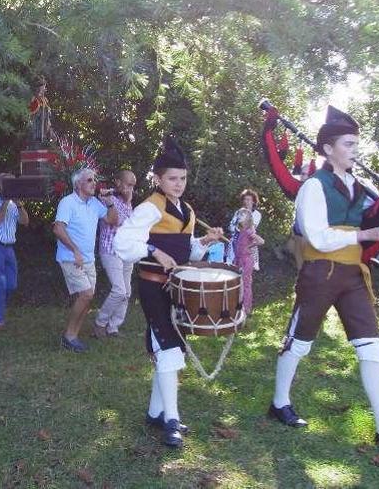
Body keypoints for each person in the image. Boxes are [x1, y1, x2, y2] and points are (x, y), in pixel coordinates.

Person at [267, 106, 379, 455]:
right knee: (299, 342)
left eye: (357, 143)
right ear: (327, 149)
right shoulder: (313, 186)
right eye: (348, 143)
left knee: (372, 348)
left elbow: (376, 220)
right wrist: (364, 232)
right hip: (319, 272)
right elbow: (317, 237)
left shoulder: (358, 186)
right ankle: (280, 402)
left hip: (354, 274)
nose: (355, 149)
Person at [113, 136, 225, 448]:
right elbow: (122, 242)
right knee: (169, 348)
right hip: (152, 286)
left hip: (176, 288)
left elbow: (186, 249)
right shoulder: (150, 207)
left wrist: (204, 242)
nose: (178, 184)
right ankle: (172, 421)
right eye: (172, 179)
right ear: (159, 179)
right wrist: (152, 250)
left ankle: (155, 412)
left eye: (183, 179)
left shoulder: (187, 210)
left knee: (169, 348)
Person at [53, 168, 118, 352]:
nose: (94, 182)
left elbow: (113, 220)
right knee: (86, 294)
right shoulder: (67, 203)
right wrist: (75, 251)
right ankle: (69, 336)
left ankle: (73, 335)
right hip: (71, 258)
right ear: (78, 184)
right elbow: (58, 229)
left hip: (88, 259)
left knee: (87, 299)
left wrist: (109, 203)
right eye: (89, 180)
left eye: (95, 179)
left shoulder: (94, 203)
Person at [0, 173, 30, 328]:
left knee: (11, 285)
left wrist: (18, 204)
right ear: (0, 186)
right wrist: (5, 200)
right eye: (9, 183)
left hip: (9, 247)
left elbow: (25, 222)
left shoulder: (15, 204)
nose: (12, 186)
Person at [95, 170, 136, 338]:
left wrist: (127, 201)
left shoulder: (127, 202)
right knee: (119, 290)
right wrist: (118, 201)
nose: (131, 189)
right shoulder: (105, 198)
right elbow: (116, 221)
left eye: (133, 186)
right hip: (110, 250)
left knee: (126, 292)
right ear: (118, 182)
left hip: (126, 252)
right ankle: (100, 322)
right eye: (128, 184)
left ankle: (113, 327)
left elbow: (131, 224)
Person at [232, 208, 264, 314]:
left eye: (243, 215)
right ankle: (238, 306)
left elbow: (261, 241)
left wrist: (249, 246)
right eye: (240, 214)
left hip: (246, 260)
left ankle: (246, 308)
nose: (240, 216)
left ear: (248, 218)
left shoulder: (249, 231)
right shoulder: (240, 230)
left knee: (245, 283)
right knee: (237, 283)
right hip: (238, 259)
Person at [225, 189, 262, 269]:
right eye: (245, 199)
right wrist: (236, 228)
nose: (246, 201)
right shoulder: (238, 212)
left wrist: (241, 227)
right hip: (235, 241)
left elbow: (250, 228)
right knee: (231, 265)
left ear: (253, 201)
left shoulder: (257, 214)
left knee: (245, 268)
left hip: (248, 244)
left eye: (248, 199)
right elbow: (231, 226)